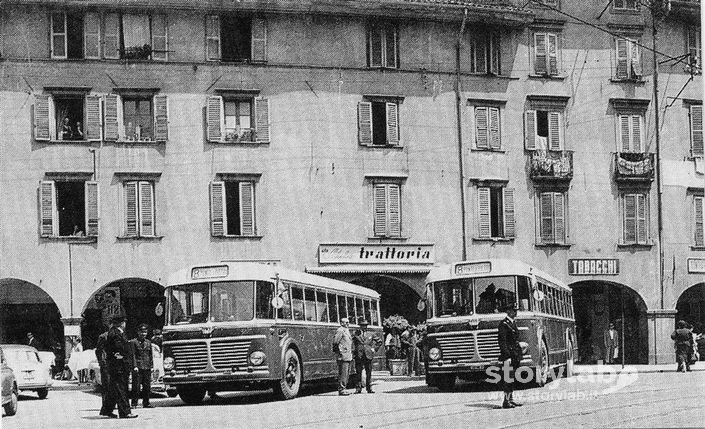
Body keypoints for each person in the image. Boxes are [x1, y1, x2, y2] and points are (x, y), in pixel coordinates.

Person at [105, 315, 137, 419]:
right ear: (121, 323)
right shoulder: (116, 333)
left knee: (114, 389)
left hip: (118, 364)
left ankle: (107, 410)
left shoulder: (117, 332)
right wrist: (123, 354)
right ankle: (125, 412)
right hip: (118, 365)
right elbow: (118, 347)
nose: (125, 324)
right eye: (124, 322)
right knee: (121, 389)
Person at [497, 302, 522, 409]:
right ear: (508, 311)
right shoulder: (503, 324)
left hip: (514, 355)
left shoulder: (512, 323)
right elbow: (502, 342)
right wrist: (506, 356)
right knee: (507, 379)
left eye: (516, 310)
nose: (515, 312)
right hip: (508, 356)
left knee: (512, 378)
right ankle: (506, 401)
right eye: (513, 311)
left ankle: (511, 399)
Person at [352, 320, 381, 394]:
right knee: (358, 372)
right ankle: (358, 388)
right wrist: (353, 351)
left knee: (369, 372)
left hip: (368, 355)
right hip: (359, 355)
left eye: (365, 325)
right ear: (360, 326)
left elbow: (379, 341)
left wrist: (374, 348)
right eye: (362, 325)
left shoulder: (371, 334)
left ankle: (369, 388)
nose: (363, 327)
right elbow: (351, 342)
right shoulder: (356, 334)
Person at [130, 324, 154, 409]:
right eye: (141, 332)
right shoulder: (133, 342)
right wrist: (134, 366)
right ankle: (134, 403)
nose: (143, 334)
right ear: (138, 332)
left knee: (147, 386)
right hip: (138, 367)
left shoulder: (148, 342)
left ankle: (146, 403)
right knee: (136, 386)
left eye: (145, 332)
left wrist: (151, 366)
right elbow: (132, 355)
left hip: (146, 366)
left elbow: (150, 355)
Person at [332, 317, 353, 396]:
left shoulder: (346, 330)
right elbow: (335, 342)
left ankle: (344, 388)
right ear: (341, 323)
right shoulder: (340, 330)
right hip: (343, 355)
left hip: (347, 355)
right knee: (343, 373)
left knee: (346, 373)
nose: (348, 324)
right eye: (346, 322)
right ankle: (342, 389)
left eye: (348, 322)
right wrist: (340, 352)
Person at [95, 324, 112, 417]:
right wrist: (101, 362)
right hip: (106, 364)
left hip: (114, 365)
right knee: (107, 387)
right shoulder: (103, 337)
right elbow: (98, 351)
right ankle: (105, 408)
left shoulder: (118, 335)